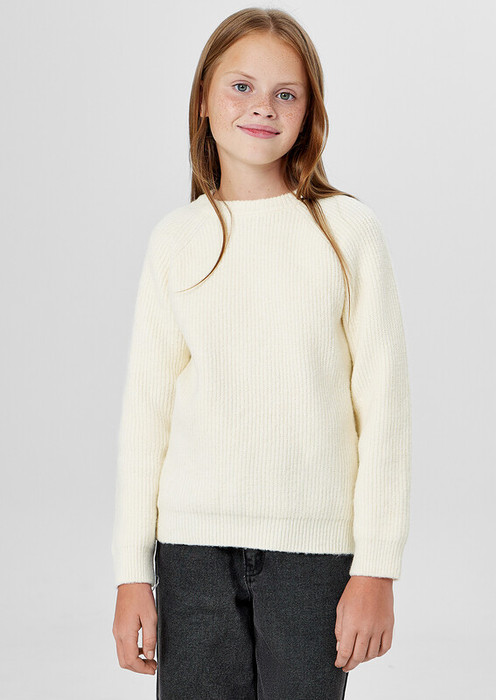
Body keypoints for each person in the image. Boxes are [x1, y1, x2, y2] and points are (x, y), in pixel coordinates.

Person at [111, 7, 412, 700]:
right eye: (241, 87)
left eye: (286, 93)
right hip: (190, 556)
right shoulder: (176, 239)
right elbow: (146, 416)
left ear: (309, 111)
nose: (262, 108)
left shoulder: (347, 232)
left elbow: (384, 412)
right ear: (203, 99)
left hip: (314, 556)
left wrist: (377, 567)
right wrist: (131, 574)